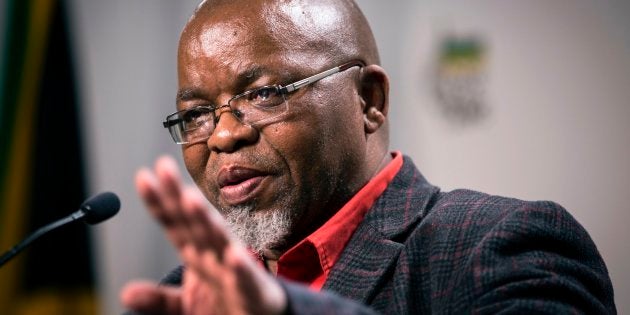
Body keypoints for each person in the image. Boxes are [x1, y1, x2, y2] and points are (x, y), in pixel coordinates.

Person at [120, 0, 616, 313]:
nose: (223, 136)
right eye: (197, 114)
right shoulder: (185, 297)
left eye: (266, 94)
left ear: (369, 100)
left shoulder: (504, 245)